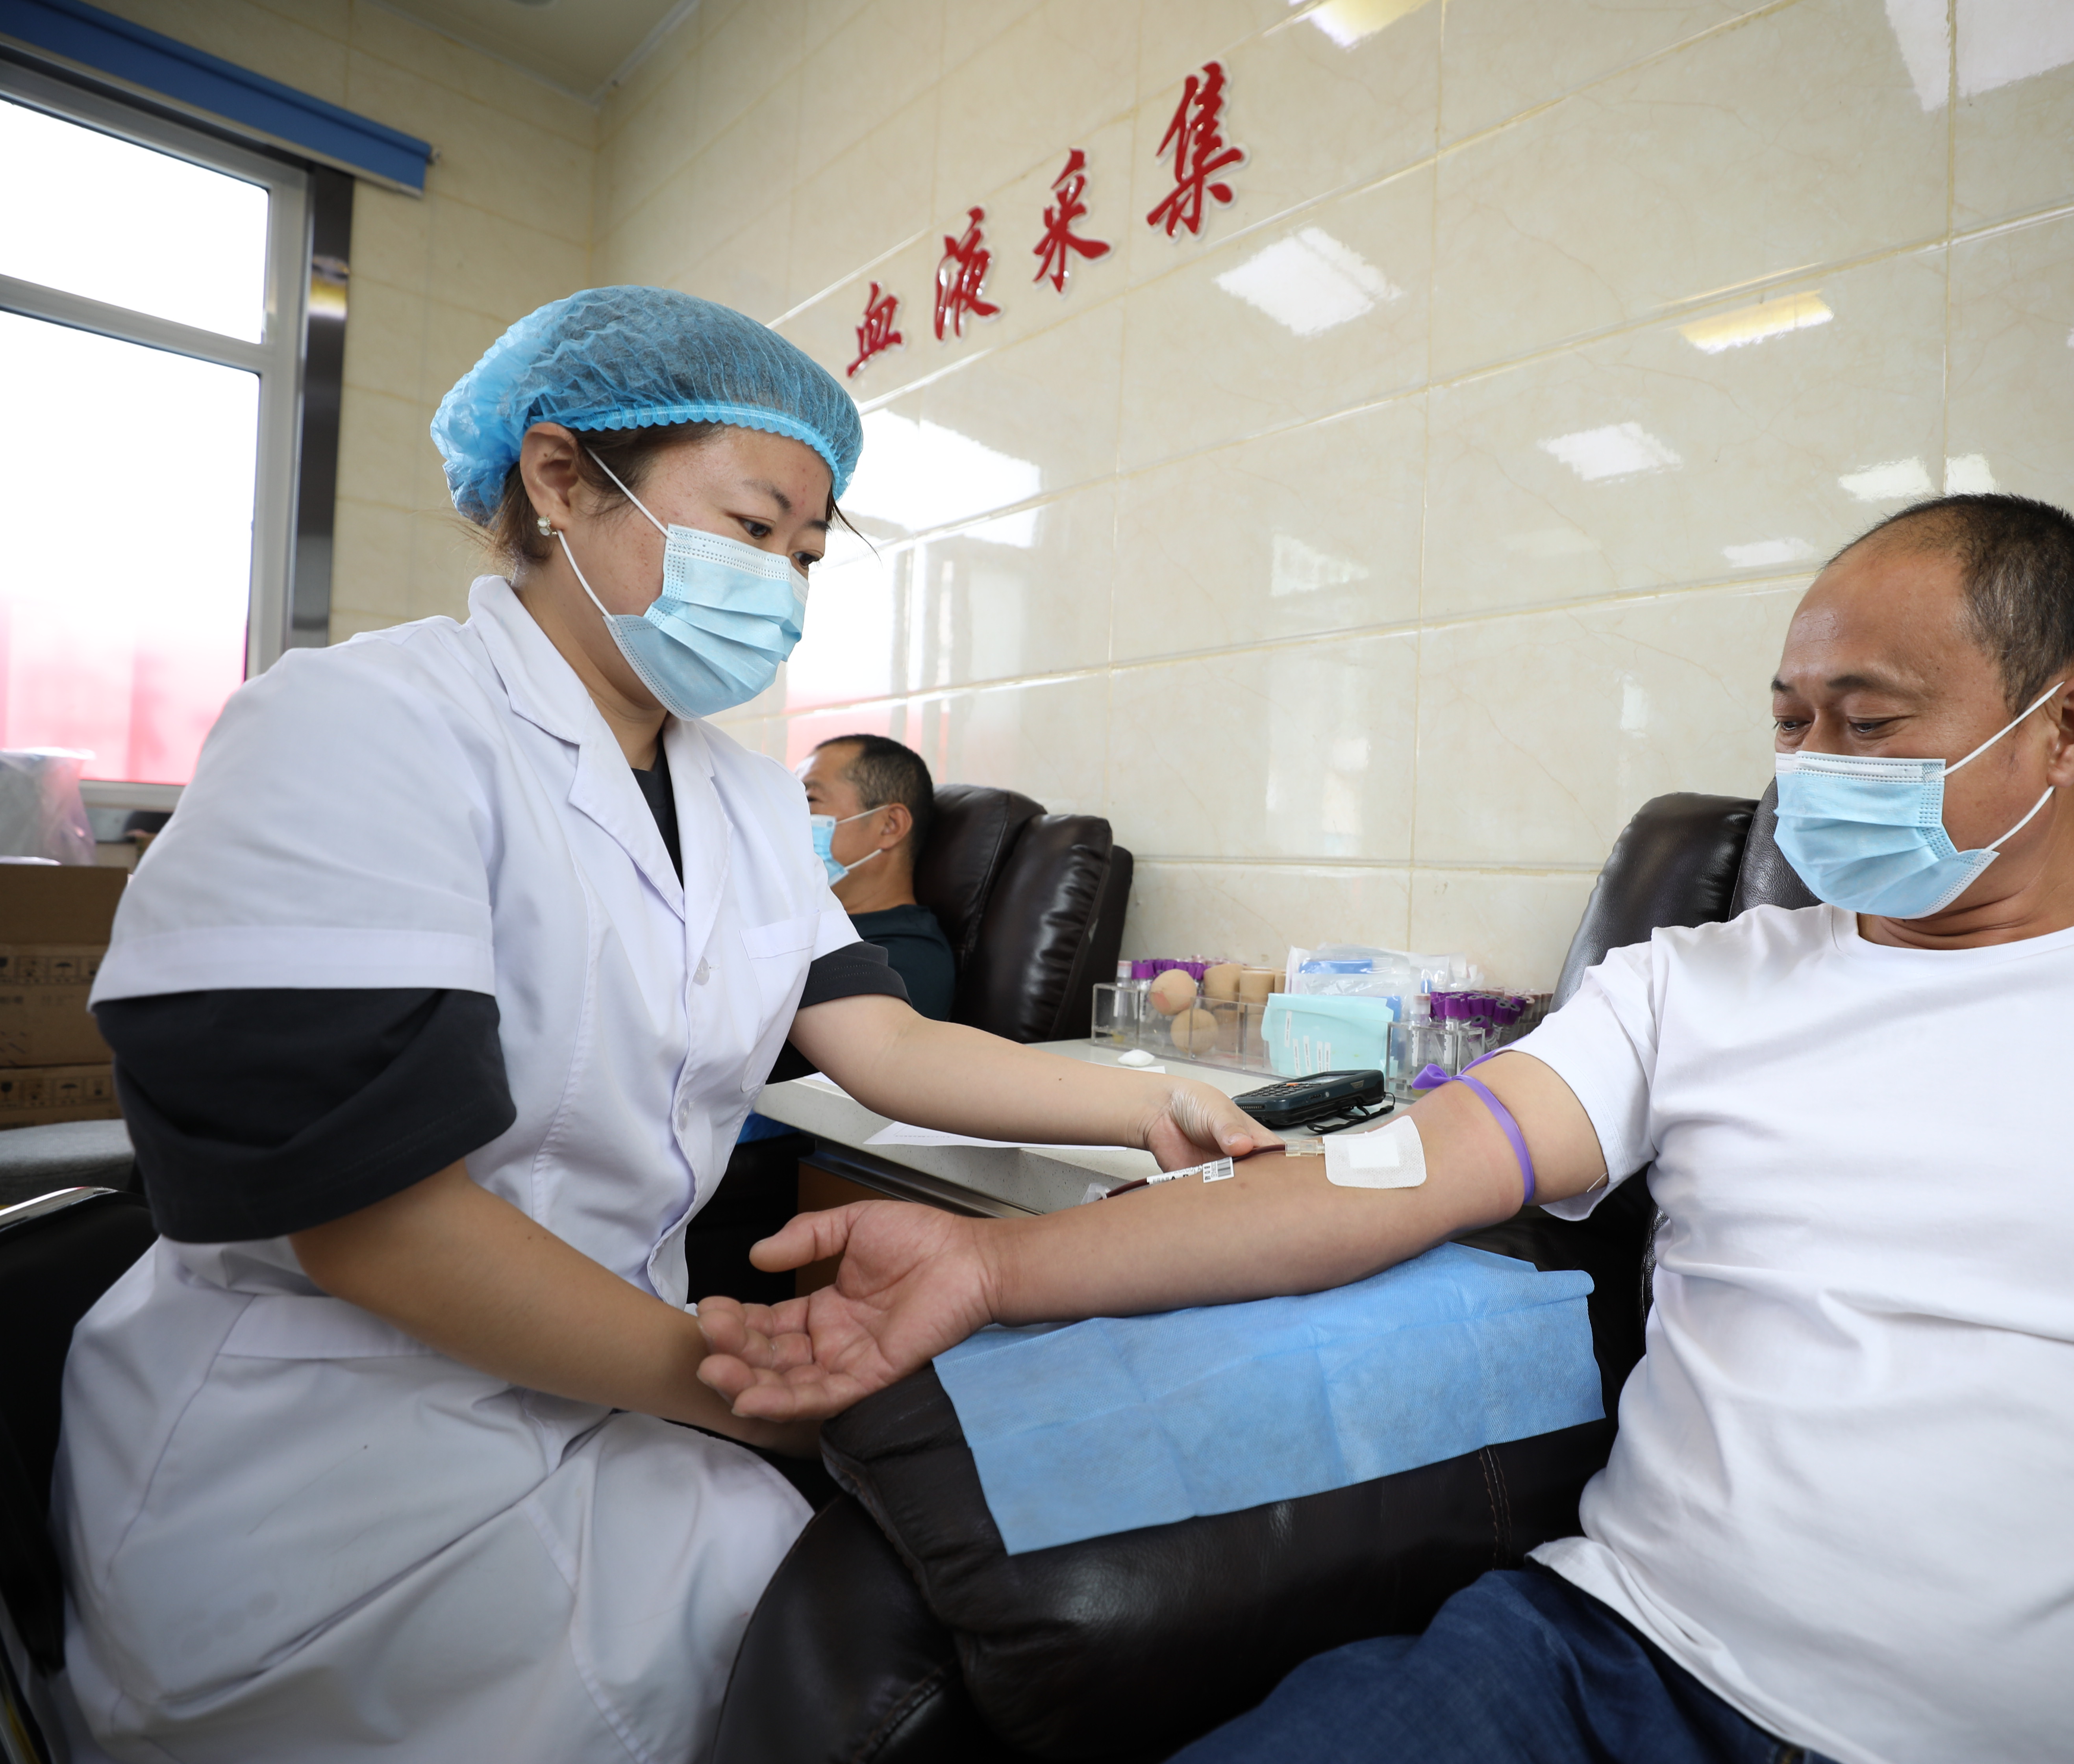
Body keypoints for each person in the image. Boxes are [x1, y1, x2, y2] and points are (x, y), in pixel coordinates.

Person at [701, 495, 2074, 1764]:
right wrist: (997, 1265)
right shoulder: (1699, 981)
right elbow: (1393, 1171)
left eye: (1872, 721)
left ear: (2064, 728)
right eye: (1790, 717)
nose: (1811, 770)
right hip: (1600, 1671)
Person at [54, 285, 1274, 1764]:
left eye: (805, 555)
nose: (780, 585)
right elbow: (375, 1225)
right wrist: (759, 1397)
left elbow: (885, 1045)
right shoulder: (360, 724)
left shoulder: (749, 803)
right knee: (847, 1641)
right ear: (561, 479)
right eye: (752, 527)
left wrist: (1147, 1105)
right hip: (325, 1453)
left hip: (612, 1393)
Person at [800, 733, 954, 1021]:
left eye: (809, 800)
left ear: (889, 826)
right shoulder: (804, 921)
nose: (789, 817)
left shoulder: (907, 961)